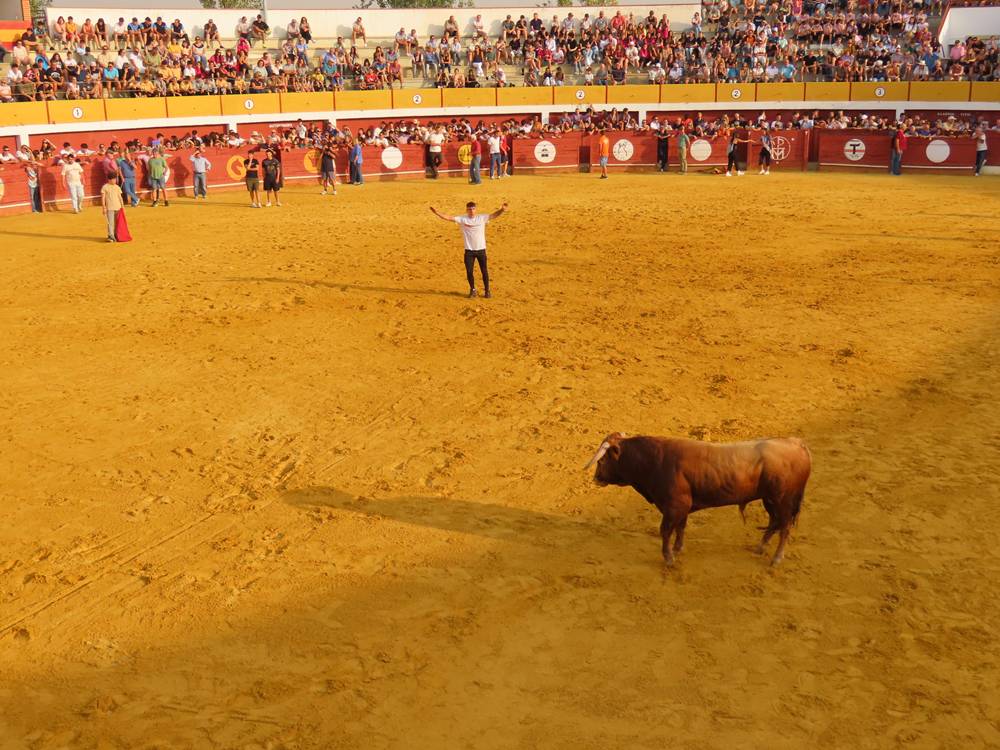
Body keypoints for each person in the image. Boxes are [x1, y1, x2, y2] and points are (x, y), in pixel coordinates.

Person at [429, 200, 508, 299]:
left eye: (473, 209)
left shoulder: (482, 218)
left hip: (481, 250)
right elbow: (448, 218)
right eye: (469, 209)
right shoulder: (462, 219)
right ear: (467, 210)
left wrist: (502, 210)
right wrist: (437, 213)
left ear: (476, 210)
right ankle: (473, 290)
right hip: (469, 251)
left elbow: (494, 215)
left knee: (484, 271)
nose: (471, 211)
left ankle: (487, 290)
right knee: (469, 271)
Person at [100, 173, 123, 242]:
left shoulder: (117, 187)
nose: (115, 181)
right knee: (110, 223)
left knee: (117, 223)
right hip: (109, 208)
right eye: (113, 179)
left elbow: (120, 197)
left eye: (115, 179)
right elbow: (103, 198)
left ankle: (116, 235)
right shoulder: (105, 187)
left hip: (118, 207)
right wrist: (104, 207)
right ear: (109, 180)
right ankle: (110, 236)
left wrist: (122, 206)